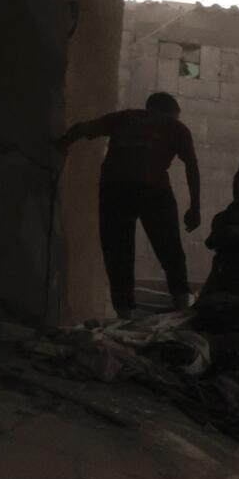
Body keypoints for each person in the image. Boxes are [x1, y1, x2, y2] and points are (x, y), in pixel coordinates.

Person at [57, 91, 201, 316]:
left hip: (115, 189)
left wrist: (59, 146)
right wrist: (195, 207)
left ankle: (123, 313)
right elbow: (191, 165)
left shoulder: (124, 118)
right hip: (154, 190)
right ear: (172, 112)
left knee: (118, 252)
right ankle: (182, 306)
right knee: (170, 250)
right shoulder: (176, 128)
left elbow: (80, 128)